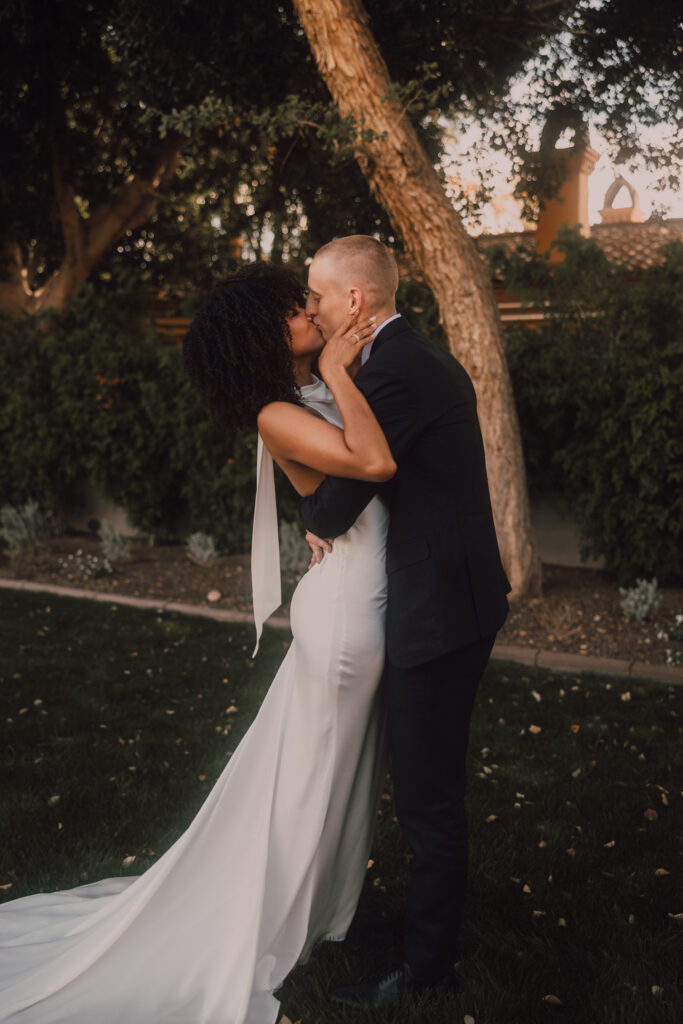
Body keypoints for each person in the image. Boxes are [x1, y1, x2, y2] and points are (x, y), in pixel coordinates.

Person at [0, 263, 395, 1024]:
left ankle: (314, 915)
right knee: (312, 777)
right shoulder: (274, 413)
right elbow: (372, 463)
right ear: (259, 335)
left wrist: (341, 366)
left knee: (329, 772)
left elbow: (346, 484)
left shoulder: (313, 389)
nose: (306, 312)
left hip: (361, 590)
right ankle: (269, 920)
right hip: (347, 615)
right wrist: (342, 369)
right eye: (290, 309)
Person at [299, 234, 511, 1008]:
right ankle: (425, 927)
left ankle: (425, 969)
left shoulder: (392, 374)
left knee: (427, 793)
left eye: (318, 294)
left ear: (355, 300)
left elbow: (335, 500)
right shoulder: (403, 359)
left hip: (440, 609)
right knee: (422, 782)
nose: (313, 308)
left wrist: (322, 382)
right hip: (448, 591)